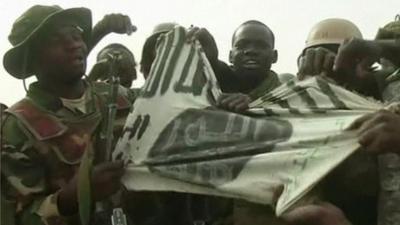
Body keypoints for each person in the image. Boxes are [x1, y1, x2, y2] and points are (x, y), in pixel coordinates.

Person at [1, 5, 135, 225]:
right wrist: (75, 197)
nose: (73, 44)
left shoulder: (120, 97)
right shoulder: (17, 126)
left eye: (76, 35)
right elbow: (18, 217)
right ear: (32, 58)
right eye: (56, 40)